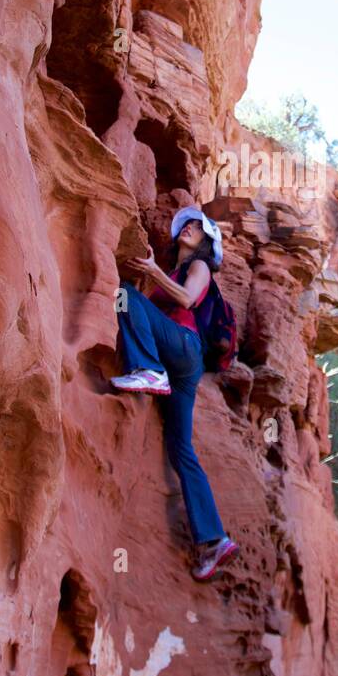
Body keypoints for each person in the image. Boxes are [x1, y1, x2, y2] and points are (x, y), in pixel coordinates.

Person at [110, 206, 239, 582]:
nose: (191, 229)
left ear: (206, 245)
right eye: (188, 225)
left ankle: (146, 370)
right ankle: (213, 540)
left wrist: (149, 274)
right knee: (181, 449)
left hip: (183, 347)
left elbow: (186, 300)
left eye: (199, 229)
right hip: (183, 368)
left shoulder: (198, 269)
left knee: (123, 294)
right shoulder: (168, 273)